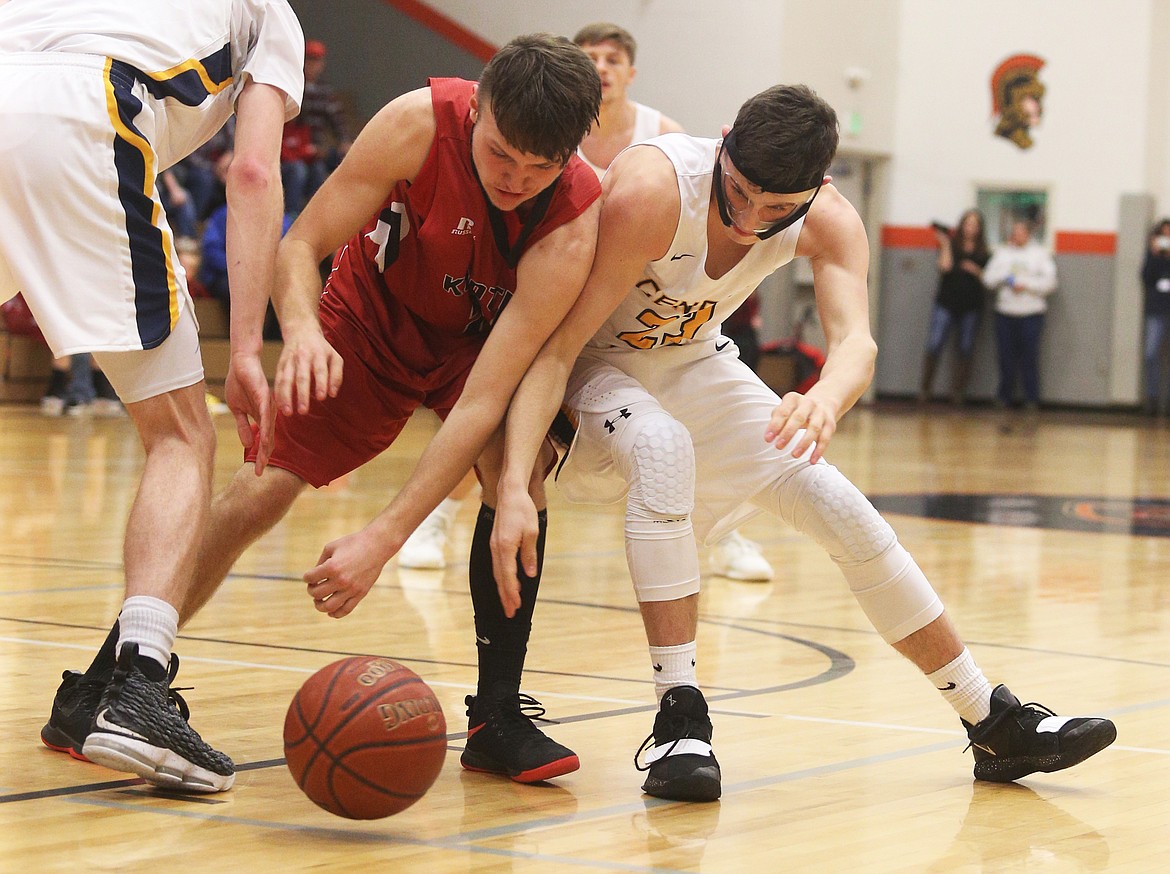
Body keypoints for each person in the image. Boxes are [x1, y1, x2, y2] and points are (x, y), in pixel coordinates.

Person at [488, 84, 1116, 803]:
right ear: (722, 141)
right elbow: (558, 340)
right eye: (740, 192)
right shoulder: (655, 188)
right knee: (663, 450)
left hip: (691, 358)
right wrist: (513, 474)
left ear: (816, 190)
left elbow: (857, 342)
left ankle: (990, 720)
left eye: (776, 208)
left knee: (836, 501)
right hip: (588, 362)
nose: (752, 218)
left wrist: (823, 399)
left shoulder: (833, 220)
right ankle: (679, 719)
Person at [37, 34, 604, 787]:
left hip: (477, 348)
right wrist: (301, 330)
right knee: (262, 488)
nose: (516, 179)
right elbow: (300, 243)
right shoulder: (417, 123)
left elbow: (487, 397)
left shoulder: (570, 222)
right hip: (369, 321)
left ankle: (496, 716)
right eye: (501, 155)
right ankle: (106, 684)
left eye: (540, 168)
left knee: (517, 483)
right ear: (478, 110)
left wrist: (384, 538)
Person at [2, 0, 306, 793]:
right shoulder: (268, 13)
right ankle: (136, 686)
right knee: (180, 436)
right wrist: (243, 348)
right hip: (83, 115)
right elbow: (251, 172)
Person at [397, 21, 690, 574]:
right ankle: (437, 520)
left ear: (630, 74)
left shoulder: (662, 134)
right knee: (500, 420)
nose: (601, 67)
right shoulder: (539, 123)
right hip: (549, 287)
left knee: (685, 430)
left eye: (613, 59)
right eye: (592, 57)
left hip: (623, 299)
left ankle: (725, 536)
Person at [983, 218, 1057, 410]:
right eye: (1014, 232)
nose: (1017, 235)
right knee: (1005, 357)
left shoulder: (1039, 254)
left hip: (1031, 312)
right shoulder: (1002, 254)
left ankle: (1031, 398)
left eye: (1021, 232)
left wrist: (1027, 285)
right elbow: (987, 279)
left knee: (1029, 357)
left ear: (1028, 234)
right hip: (1005, 311)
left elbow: (1050, 282)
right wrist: (1007, 278)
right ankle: (1004, 396)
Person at [919, 209, 991, 405]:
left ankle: (958, 393)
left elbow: (990, 279)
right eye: (968, 224)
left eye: (975, 225)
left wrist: (976, 271)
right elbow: (945, 267)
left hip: (971, 305)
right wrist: (944, 244)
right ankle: (925, 391)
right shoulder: (951, 243)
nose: (970, 228)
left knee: (966, 348)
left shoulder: (984, 251)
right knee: (934, 344)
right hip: (946, 302)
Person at [280, 39, 352, 215]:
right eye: (309, 60)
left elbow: (337, 120)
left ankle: (315, 217)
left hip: (314, 151)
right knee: (298, 171)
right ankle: (291, 216)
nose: (312, 65)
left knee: (320, 171)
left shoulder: (325, 92)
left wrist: (344, 141)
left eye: (316, 61)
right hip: (289, 150)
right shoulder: (291, 86)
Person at [1140, 218, 1170, 416]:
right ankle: (1152, 398)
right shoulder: (1153, 255)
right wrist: (1155, 255)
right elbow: (1145, 277)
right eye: (1164, 234)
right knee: (1151, 353)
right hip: (1156, 310)